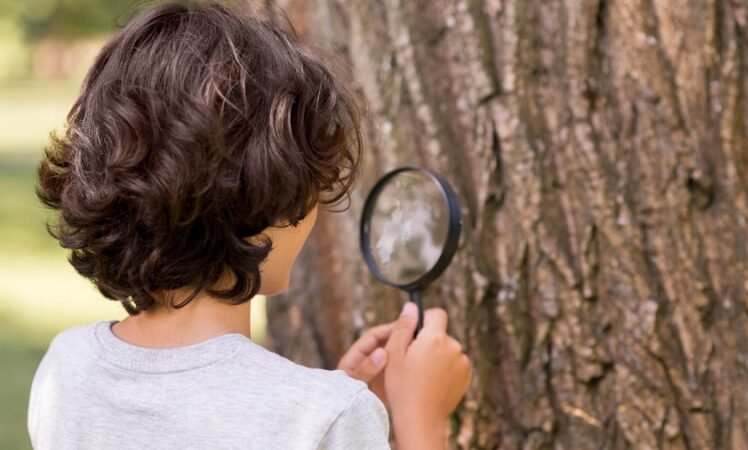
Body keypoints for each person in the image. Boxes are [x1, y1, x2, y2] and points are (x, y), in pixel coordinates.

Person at [28, 2, 471, 449]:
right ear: (280, 198)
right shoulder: (323, 414)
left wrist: (331, 406)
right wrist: (420, 421)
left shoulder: (66, 367)